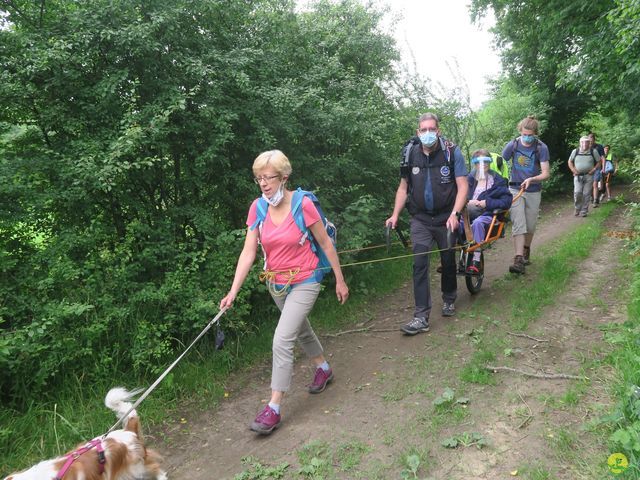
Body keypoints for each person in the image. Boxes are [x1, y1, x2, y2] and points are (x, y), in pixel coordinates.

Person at [220, 150, 349, 435]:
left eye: (268, 178)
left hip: (307, 278)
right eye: (258, 179)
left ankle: (274, 407)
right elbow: (248, 252)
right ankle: (323, 368)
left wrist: (340, 280)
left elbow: (326, 244)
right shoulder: (258, 208)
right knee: (300, 329)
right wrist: (233, 292)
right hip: (276, 283)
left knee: (282, 338)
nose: (263, 184)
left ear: (284, 177)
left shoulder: (302, 205)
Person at [386, 112, 468, 335]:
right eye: (424, 130)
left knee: (448, 259)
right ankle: (421, 316)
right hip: (420, 219)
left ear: (438, 131)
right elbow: (403, 189)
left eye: (432, 129)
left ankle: (449, 297)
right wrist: (394, 215)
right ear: (418, 132)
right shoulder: (410, 153)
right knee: (419, 263)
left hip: (446, 217)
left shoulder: (452, 152)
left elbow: (462, 186)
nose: (428, 133)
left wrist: (455, 214)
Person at [501, 115, 551, 274]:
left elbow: (546, 173)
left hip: (533, 190)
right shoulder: (513, 145)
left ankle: (526, 249)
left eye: (530, 135)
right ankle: (518, 259)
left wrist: (532, 179)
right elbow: (500, 162)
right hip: (515, 189)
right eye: (524, 134)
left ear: (535, 133)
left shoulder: (541, 148)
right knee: (519, 224)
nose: (527, 138)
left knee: (530, 225)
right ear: (520, 132)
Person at [462, 150, 513, 274]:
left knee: (478, 223)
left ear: (490, 162)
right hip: (467, 213)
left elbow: (506, 201)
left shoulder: (497, 180)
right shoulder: (468, 180)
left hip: (487, 214)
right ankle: (454, 258)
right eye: (479, 162)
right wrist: (467, 202)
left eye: (486, 161)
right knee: (454, 223)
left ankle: (476, 260)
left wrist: (487, 203)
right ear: (474, 164)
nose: (483, 164)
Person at [568, 135, 601, 217]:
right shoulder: (575, 151)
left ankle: (584, 211)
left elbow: (599, 162)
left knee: (586, 193)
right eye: (583, 142)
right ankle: (577, 208)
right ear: (580, 143)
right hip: (578, 176)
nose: (585, 144)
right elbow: (570, 162)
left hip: (589, 176)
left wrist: (593, 170)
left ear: (589, 143)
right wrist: (573, 170)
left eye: (587, 142)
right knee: (577, 192)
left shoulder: (593, 151)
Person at [588, 132, 606, 208]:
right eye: (589, 140)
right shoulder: (586, 147)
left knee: (595, 184)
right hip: (588, 168)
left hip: (597, 168)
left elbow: (603, 158)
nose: (590, 142)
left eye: (591, 140)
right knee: (589, 184)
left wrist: (603, 168)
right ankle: (592, 197)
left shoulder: (599, 147)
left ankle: (595, 200)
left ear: (594, 139)